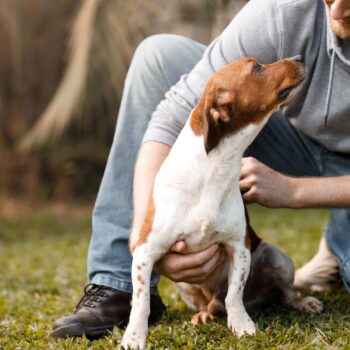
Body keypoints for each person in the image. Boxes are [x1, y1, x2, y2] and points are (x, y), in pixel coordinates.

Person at [52, 0, 350, 339]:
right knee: (157, 55)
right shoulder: (283, 10)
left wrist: (295, 191)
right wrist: (143, 232)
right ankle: (117, 283)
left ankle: (338, 251)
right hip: (297, 141)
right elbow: (171, 114)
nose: (338, 9)